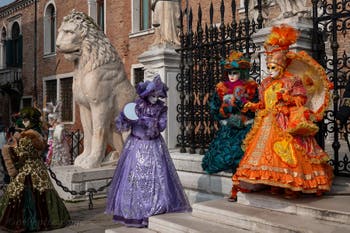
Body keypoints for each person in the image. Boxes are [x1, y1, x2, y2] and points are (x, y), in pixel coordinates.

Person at [231, 24, 333, 200]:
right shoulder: (265, 84)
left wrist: (287, 99)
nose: (271, 71)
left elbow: (301, 100)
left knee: (288, 153)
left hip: (285, 122)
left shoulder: (292, 81)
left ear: (282, 65)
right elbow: (263, 103)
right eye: (269, 68)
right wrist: (252, 106)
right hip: (267, 123)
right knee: (264, 154)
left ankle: (292, 186)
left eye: (274, 68)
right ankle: (273, 183)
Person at [105, 75, 191, 227]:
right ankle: (136, 212)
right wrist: (127, 119)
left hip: (154, 146)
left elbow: (161, 127)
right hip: (136, 147)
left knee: (157, 177)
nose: (154, 98)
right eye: (152, 95)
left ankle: (155, 208)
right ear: (145, 95)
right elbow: (123, 124)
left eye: (157, 95)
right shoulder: (136, 106)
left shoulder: (160, 108)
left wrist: (150, 123)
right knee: (135, 178)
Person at [0, 107, 70, 232]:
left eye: (26, 120)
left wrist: (10, 147)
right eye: (23, 120)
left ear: (32, 120)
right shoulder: (38, 132)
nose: (24, 122)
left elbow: (21, 154)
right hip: (38, 168)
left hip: (29, 169)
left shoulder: (30, 136)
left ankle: (30, 222)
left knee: (25, 194)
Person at [201, 51, 258, 175]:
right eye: (229, 73)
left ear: (241, 73)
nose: (231, 76)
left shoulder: (251, 88)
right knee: (225, 156)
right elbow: (214, 108)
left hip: (245, 127)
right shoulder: (222, 88)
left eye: (235, 73)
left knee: (243, 155)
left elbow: (257, 107)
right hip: (229, 127)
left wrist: (245, 107)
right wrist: (224, 112)